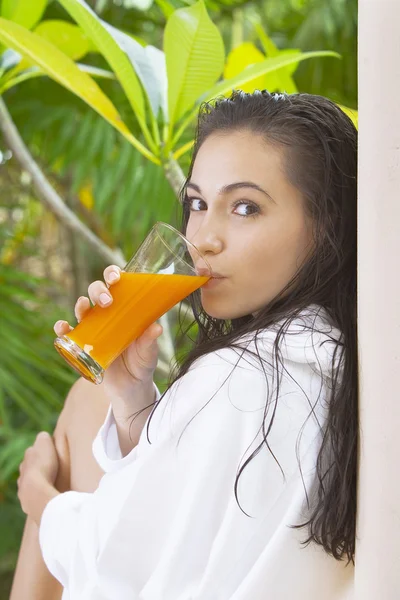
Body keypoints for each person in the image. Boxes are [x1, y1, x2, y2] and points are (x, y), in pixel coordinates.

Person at [15, 90, 357, 600]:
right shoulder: (332, 352)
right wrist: (132, 399)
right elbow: (188, 512)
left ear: (326, 225)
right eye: (197, 203)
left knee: (65, 445)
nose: (204, 238)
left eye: (245, 207)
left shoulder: (240, 377)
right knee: (89, 400)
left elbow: (115, 566)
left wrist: (39, 500)